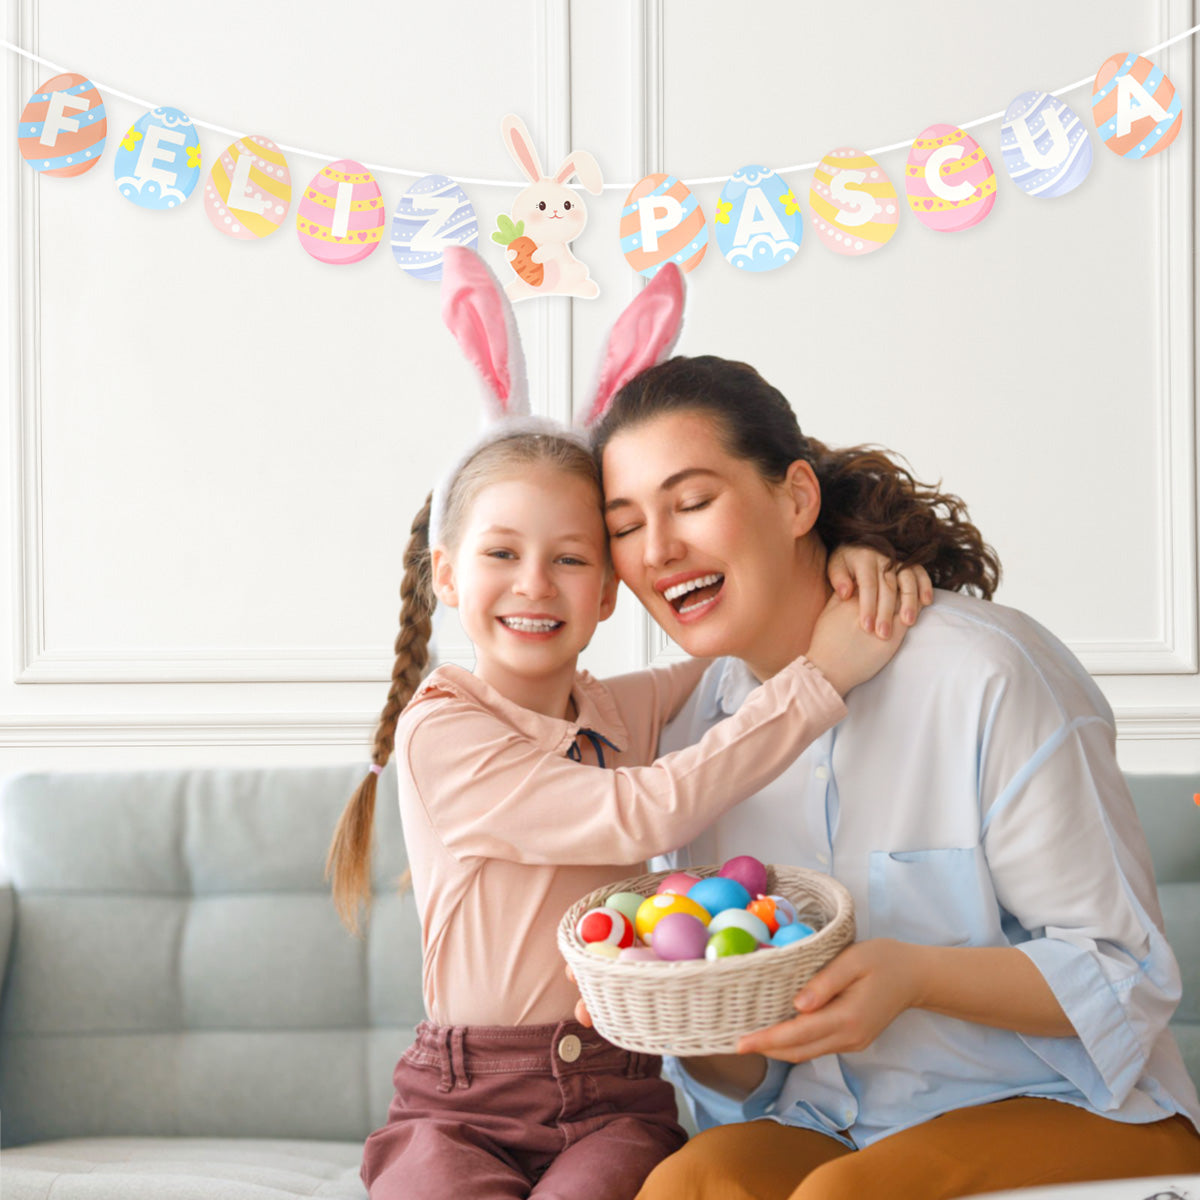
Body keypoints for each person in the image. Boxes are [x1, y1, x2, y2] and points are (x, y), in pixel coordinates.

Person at [325, 252, 921, 1200]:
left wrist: (836, 556)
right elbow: (639, 815)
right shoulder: (441, 731)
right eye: (501, 554)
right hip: (460, 1099)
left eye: (571, 560)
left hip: (618, 1095)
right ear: (447, 576)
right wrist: (821, 683)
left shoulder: (623, 706)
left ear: (610, 592)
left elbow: (748, 628)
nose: (534, 584)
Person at [584, 354, 1200, 1199]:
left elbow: (1127, 975)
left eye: (692, 502)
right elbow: (743, 1084)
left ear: (797, 498)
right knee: (687, 1186)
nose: (659, 549)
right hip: (837, 1127)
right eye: (624, 526)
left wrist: (913, 977)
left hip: (1080, 1109)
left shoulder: (985, 674)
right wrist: (678, 1013)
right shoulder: (700, 734)